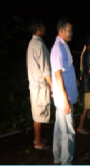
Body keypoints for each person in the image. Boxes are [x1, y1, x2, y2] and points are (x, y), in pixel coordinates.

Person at [50, 18, 78, 165]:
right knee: (68, 131)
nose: (71, 33)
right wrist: (66, 100)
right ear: (61, 31)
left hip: (64, 97)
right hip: (64, 99)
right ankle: (66, 162)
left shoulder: (63, 46)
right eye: (69, 30)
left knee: (60, 130)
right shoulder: (58, 48)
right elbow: (57, 75)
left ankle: (59, 158)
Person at [26, 18, 52, 150]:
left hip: (34, 85)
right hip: (40, 86)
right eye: (43, 26)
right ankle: (37, 142)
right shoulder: (39, 45)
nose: (45, 28)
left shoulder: (32, 43)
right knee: (39, 114)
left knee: (37, 113)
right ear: (38, 29)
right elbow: (46, 70)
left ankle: (38, 138)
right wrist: (53, 86)